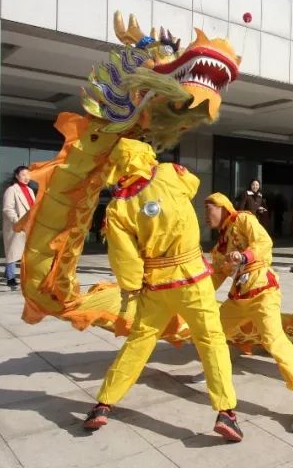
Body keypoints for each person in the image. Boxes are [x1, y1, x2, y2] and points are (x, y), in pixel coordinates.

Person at [82, 145, 241, 442]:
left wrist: (130, 290)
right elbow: (193, 185)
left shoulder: (117, 207)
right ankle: (226, 412)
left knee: (138, 344)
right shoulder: (170, 173)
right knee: (211, 342)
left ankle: (103, 404)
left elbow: (124, 257)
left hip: (156, 285)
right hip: (193, 278)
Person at [202, 193, 293, 433]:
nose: (205, 216)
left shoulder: (244, 219)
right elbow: (215, 275)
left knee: (274, 341)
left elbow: (264, 243)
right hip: (239, 297)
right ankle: (215, 371)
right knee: (212, 331)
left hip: (263, 290)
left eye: (208, 210)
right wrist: (193, 295)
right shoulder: (221, 242)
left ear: (222, 208)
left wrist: (244, 256)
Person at [1, 165, 35, 289]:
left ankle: (13, 274)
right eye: (23, 175)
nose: (27, 177)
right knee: (13, 251)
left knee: (25, 252)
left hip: (28, 225)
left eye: (28, 174)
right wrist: (17, 221)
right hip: (16, 226)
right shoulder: (12, 190)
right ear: (17, 176)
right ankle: (10, 278)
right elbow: (7, 208)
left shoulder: (30, 190)